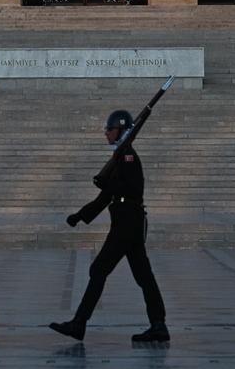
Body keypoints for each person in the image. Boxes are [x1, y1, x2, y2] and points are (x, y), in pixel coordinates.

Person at [49, 109, 169, 343]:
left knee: (99, 270)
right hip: (128, 223)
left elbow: (132, 190)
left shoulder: (127, 156)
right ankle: (159, 324)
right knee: (144, 276)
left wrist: (110, 185)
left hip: (126, 224)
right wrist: (80, 215)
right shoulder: (121, 156)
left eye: (110, 129)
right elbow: (106, 197)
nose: (106, 133)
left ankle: (79, 323)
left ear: (122, 131)